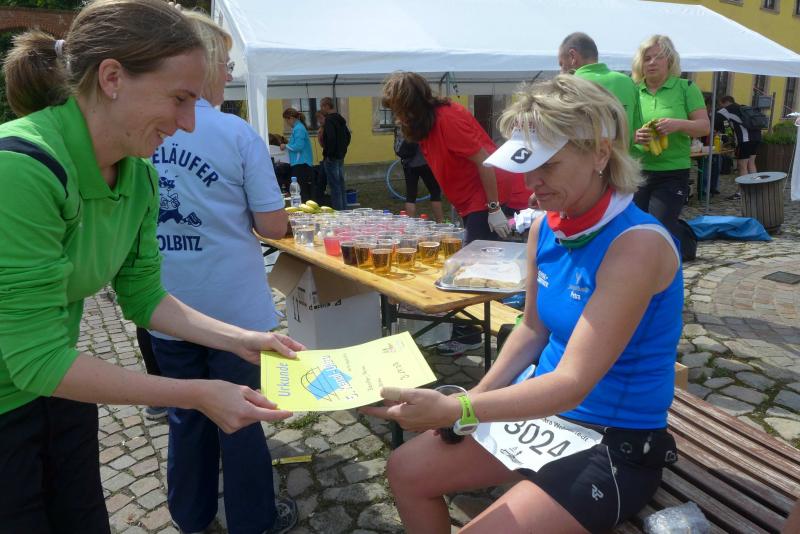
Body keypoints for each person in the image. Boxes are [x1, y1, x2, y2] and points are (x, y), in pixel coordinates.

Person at [0, 2, 303, 533]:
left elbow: (143, 295)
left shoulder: (137, 174)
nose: (188, 123)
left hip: (62, 393)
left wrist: (239, 338)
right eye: (180, 99)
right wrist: (198, 394)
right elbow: (35, 360)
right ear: (112, 78)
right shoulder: (19, 169)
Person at [363, 75, 683, 533]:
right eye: (526, 164)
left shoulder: (637, 245)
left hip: (613, 439)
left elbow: (572, 383)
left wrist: (459, 410)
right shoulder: (547, 226)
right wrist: (474, 396)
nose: (531, 184)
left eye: (547, 166)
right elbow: (532, 330)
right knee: (405, 469)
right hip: (545, 416)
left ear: (600, 153)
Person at [149, 11, 296, 534]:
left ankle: (190, 516)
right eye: (227, 64)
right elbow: (273, 225)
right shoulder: (236, 133)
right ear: (205, 63)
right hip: (235, 310)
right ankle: (253, 520)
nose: (230, 74)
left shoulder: (143, 129)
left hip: (168, 304)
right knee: (244, 416)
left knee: (186, 414)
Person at [382, 71, 530, 357]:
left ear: (410, 104)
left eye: (398, 110)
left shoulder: (447, 119)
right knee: (473, 268)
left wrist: (494, 208)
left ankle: (474, 335)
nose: (397, 118)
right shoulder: (425, 122)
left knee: (469, 270)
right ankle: (478, 331)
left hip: (489, 196)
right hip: (471, 201)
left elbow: (485, 161)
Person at [632, 35, 709, 238]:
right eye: (647, 58)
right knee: (636, 229)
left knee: (659, 228)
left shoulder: (686, 88)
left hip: (672, 172)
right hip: (636, 170)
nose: (652, 62)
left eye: (658, 57)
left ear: (670, 61)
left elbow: (704, 127)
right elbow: (619, 130)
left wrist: (678, 124)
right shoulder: (632, 91)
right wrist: (634, 136)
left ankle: (683, 244)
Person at [558, 31, 642, 153]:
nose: (561, 71)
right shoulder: (628, 82)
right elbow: (636, 131)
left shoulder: (567, 86)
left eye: (561, 64)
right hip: (622, 161)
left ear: (573, 56)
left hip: (586, 161)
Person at [394, 126, 444, 221]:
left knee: (410, 195)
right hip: (425, 162)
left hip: (408, 164)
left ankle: (411, 224)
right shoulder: (423, 121)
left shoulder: (402, 123)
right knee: (435, 192)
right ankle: (441, 222)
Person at [718, 95, 763, 200]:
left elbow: (716, 124)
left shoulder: (726, 110)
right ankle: (754, 189)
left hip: (745, 139)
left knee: (742, 165)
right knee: (751, 163)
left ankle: (742, 192)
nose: (720, 107)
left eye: (720, 104)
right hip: (757, 137)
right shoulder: (744, 107)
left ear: (725, 102)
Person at [319, 96, 350, 210]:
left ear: (327, 106)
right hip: (340, 156)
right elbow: (348, 136)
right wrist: (343, 149)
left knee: (335, 187)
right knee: (341, 185)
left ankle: (339, 212)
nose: (321, 109)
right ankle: (344, 210)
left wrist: (328, 153)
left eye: (322, 107)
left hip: (332, 157)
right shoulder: (340, 119)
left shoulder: (329, 120)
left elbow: (331, 138)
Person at [280, 107, 313, 202]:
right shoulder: (298, 128)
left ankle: (304, 208)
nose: (287, 123)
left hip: (301, 163)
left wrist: (285, 146)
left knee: (301, 191)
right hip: (300, 163)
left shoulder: (299, 129)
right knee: (301, 190)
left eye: (286, 120)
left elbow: (298, 146)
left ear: (291, 118)